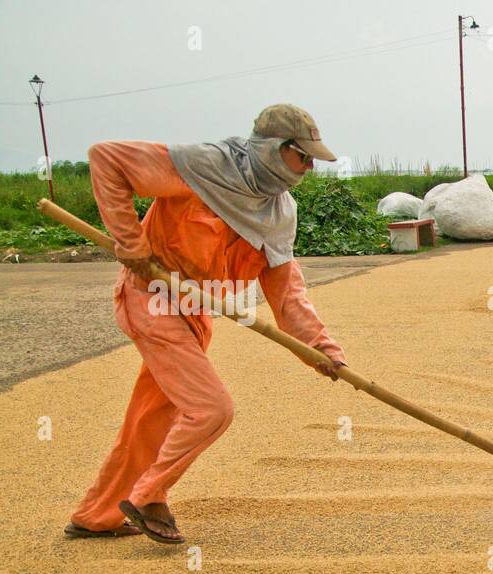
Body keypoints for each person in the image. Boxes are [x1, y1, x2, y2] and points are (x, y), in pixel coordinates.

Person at [64, 104, 348, 545]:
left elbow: (287, 296)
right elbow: (107, 158)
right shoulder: (205, 164)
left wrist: (322, 350)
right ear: (276, 148)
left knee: (152, 419)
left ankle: (95, 516)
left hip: (193, 314)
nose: (309, 168)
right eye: (304, 156)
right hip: (150, 298)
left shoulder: (279, 213)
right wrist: (131, 243)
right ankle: (148, 496)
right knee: (211, 409)